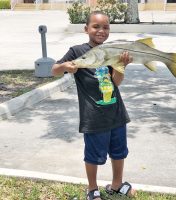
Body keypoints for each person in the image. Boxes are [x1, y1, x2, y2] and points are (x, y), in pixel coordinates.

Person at [52, 11, 136, 200]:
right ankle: (92, 188)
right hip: (93, 115)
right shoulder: (76, 51)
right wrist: (66, 66)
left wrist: (122, 66)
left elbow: (116, 82)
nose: (101, 31)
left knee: (119, 151)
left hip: (116, 112)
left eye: (105, 27)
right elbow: (54, 70)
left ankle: (116, 184)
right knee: (93, 155)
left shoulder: (111, 51)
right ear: (86, 29)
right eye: (96, 26)